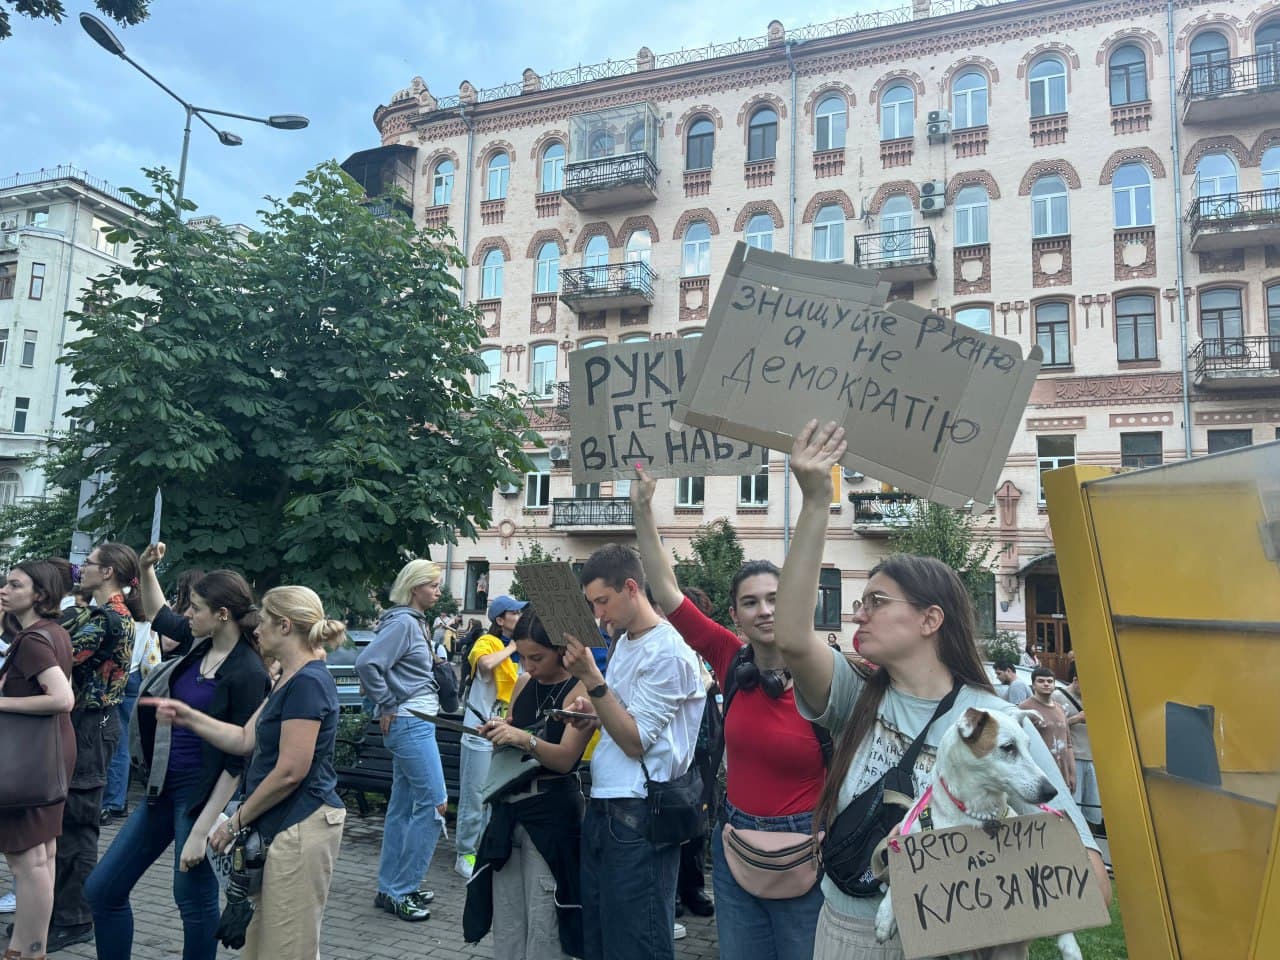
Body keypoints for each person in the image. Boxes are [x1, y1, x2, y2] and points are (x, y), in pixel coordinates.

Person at [770, 420, 1108, 958]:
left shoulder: (1000, 722)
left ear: (930, 620)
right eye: (863, 601)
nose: (861, 613)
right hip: (849, 931)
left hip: (956, 945)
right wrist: (815, 502)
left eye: (878, 601)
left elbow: (1088, 874)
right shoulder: (855, 696)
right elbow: (790, 636)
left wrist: (992, 900)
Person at [631, 465, 825, 960]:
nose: (764, 610)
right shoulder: (728, 656)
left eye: (776, 600)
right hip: (735, 840)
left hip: (807, 846)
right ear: (735, 615)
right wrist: (642, 510)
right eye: (751, 602)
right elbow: (668, 592)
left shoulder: (830, 675)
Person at [84, 546, 271, 960]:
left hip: (201, 796)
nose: (187, 614)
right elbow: (161, 614)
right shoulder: (200, 644)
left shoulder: (247, 672)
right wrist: (148, 569)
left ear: (222, 614)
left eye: (197, 608)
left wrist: (204, 831)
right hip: (161, 788)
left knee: (191, 898)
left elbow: (236, 761)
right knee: (103, 890)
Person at [142, 585, 347, 959]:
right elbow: (242, 739)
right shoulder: (287, 676)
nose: (257, 629)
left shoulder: (309, 682)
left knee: (287, 949)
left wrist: (233, 823)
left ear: (285, 626)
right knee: (262, 944)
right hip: (282, 825)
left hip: (302, 824)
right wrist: (189, 717)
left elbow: (291, 771)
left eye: (265, 620)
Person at [559, 543, 705, 960]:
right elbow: (620, 715)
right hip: (608, 804)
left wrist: (592, 680)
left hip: (641, 811)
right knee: (603, 938)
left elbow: (636, 739)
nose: (598, 615)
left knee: (637, 940)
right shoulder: (625, 641)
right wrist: (592, 712)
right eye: (591, 604)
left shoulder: (670, 651)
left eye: (602, 601)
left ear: (631, 587)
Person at [463, 608, 591, 959]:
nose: (529, 665)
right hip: (509, 811)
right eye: (522, 656)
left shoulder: (580, 688)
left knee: (545, 919)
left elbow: (565, 759)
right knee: (508, 919)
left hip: (551, 814)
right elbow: (513, 735)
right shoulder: (523, 683)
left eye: (537, 657)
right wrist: (498, 733)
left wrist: (522, 739)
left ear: (561, 650)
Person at [50, 543, 141, 952]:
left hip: (90, 725)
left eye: (87, 563)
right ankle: (62, 911)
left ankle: (74, 918)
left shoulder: (108, 618)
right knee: (70, 821)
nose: (79, 567)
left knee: (77, 825)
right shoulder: (100, 613)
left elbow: (58, 653)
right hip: (90, 724)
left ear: (107, 573)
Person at [354, 559, 449, 922]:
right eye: (434, 585)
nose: (439, 591)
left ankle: (389, 887)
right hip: (411, 723)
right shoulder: (406, 623)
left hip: (411, 722)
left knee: (400, 808)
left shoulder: (410, 623)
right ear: (415, 588)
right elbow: (367, 664)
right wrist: (389, 702)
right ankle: (402, 889)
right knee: (435, 805)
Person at [0, 560, 76, 960]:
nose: (4, 589)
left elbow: (62, 698)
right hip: (48, 755)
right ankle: (32, 948)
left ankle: (24, 951)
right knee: (42, 855)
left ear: (40, 595)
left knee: (27, 859)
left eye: (15, 584)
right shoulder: (54, 632)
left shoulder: (33, 639)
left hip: (28, 762)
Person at [455, 595, 524, 879]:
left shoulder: (519, 652)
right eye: (515, 614)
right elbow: (484, 665)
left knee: (492, 797)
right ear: (500, 620)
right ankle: (464, 853)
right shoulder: (487, 642)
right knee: (474, 797)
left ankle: (483, 850)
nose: (520, 617)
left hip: (501, 733)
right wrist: (513, 647)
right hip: (477, 733)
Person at [100, 614, 160, 826]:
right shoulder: (143, 611)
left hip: (116, 676)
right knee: (122, 741)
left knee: (109, 739)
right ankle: (117, 800)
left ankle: (110, 801)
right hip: (135, 675)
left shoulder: (117, 611)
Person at [1053, 666, 1103, 833]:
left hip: (1094, 757)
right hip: (1074, 757)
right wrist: (1076, 719)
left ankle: (1091, 841)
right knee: (1075, 804)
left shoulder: (1096, 696)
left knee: (1094, 808)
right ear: (1075, 680)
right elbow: (1050, 726)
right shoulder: (1057, 697)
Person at [1021, 666, 1077, 794]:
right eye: (1041, 681)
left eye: (1050, 681)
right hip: (1040, 773)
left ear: (1054, 685)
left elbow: (1068, 745)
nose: (1046, 684)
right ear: (1033, 685)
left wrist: (1072, 774)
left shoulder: (1060, 708)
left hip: (1063, 775)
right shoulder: (1025, 709)